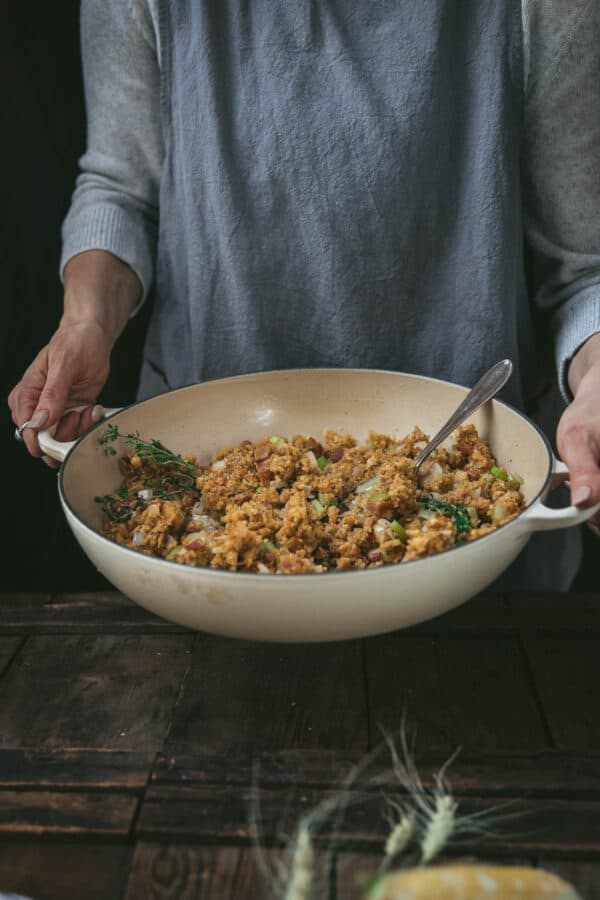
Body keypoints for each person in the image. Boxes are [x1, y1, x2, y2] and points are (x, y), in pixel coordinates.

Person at [8, 0, 600, 589]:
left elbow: (583, 270)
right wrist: (85, 322)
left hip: (476, 525)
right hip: (191, 494)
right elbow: (120, 187)